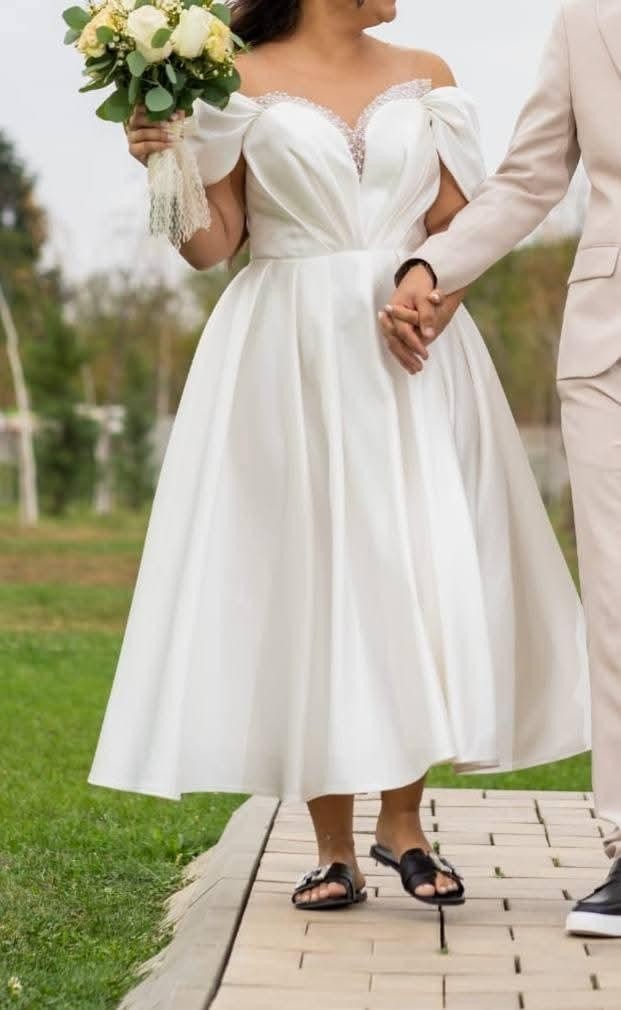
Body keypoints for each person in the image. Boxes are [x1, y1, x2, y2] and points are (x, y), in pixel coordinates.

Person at [89, 0, 591, 912]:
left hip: (409, 355)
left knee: (412, 571)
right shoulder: (228, 81)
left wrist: (427, 298)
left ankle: (403, 827)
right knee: (314, 576)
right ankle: (331, 851)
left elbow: (458, 228)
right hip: (289, 355)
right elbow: (213, 245)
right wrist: (163, 157)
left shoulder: (427, 76)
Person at [381, 0, 621, 938]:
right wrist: (430, 266)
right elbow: (528, 178)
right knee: (615, 597)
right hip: (610, 353)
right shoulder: (586, 19)